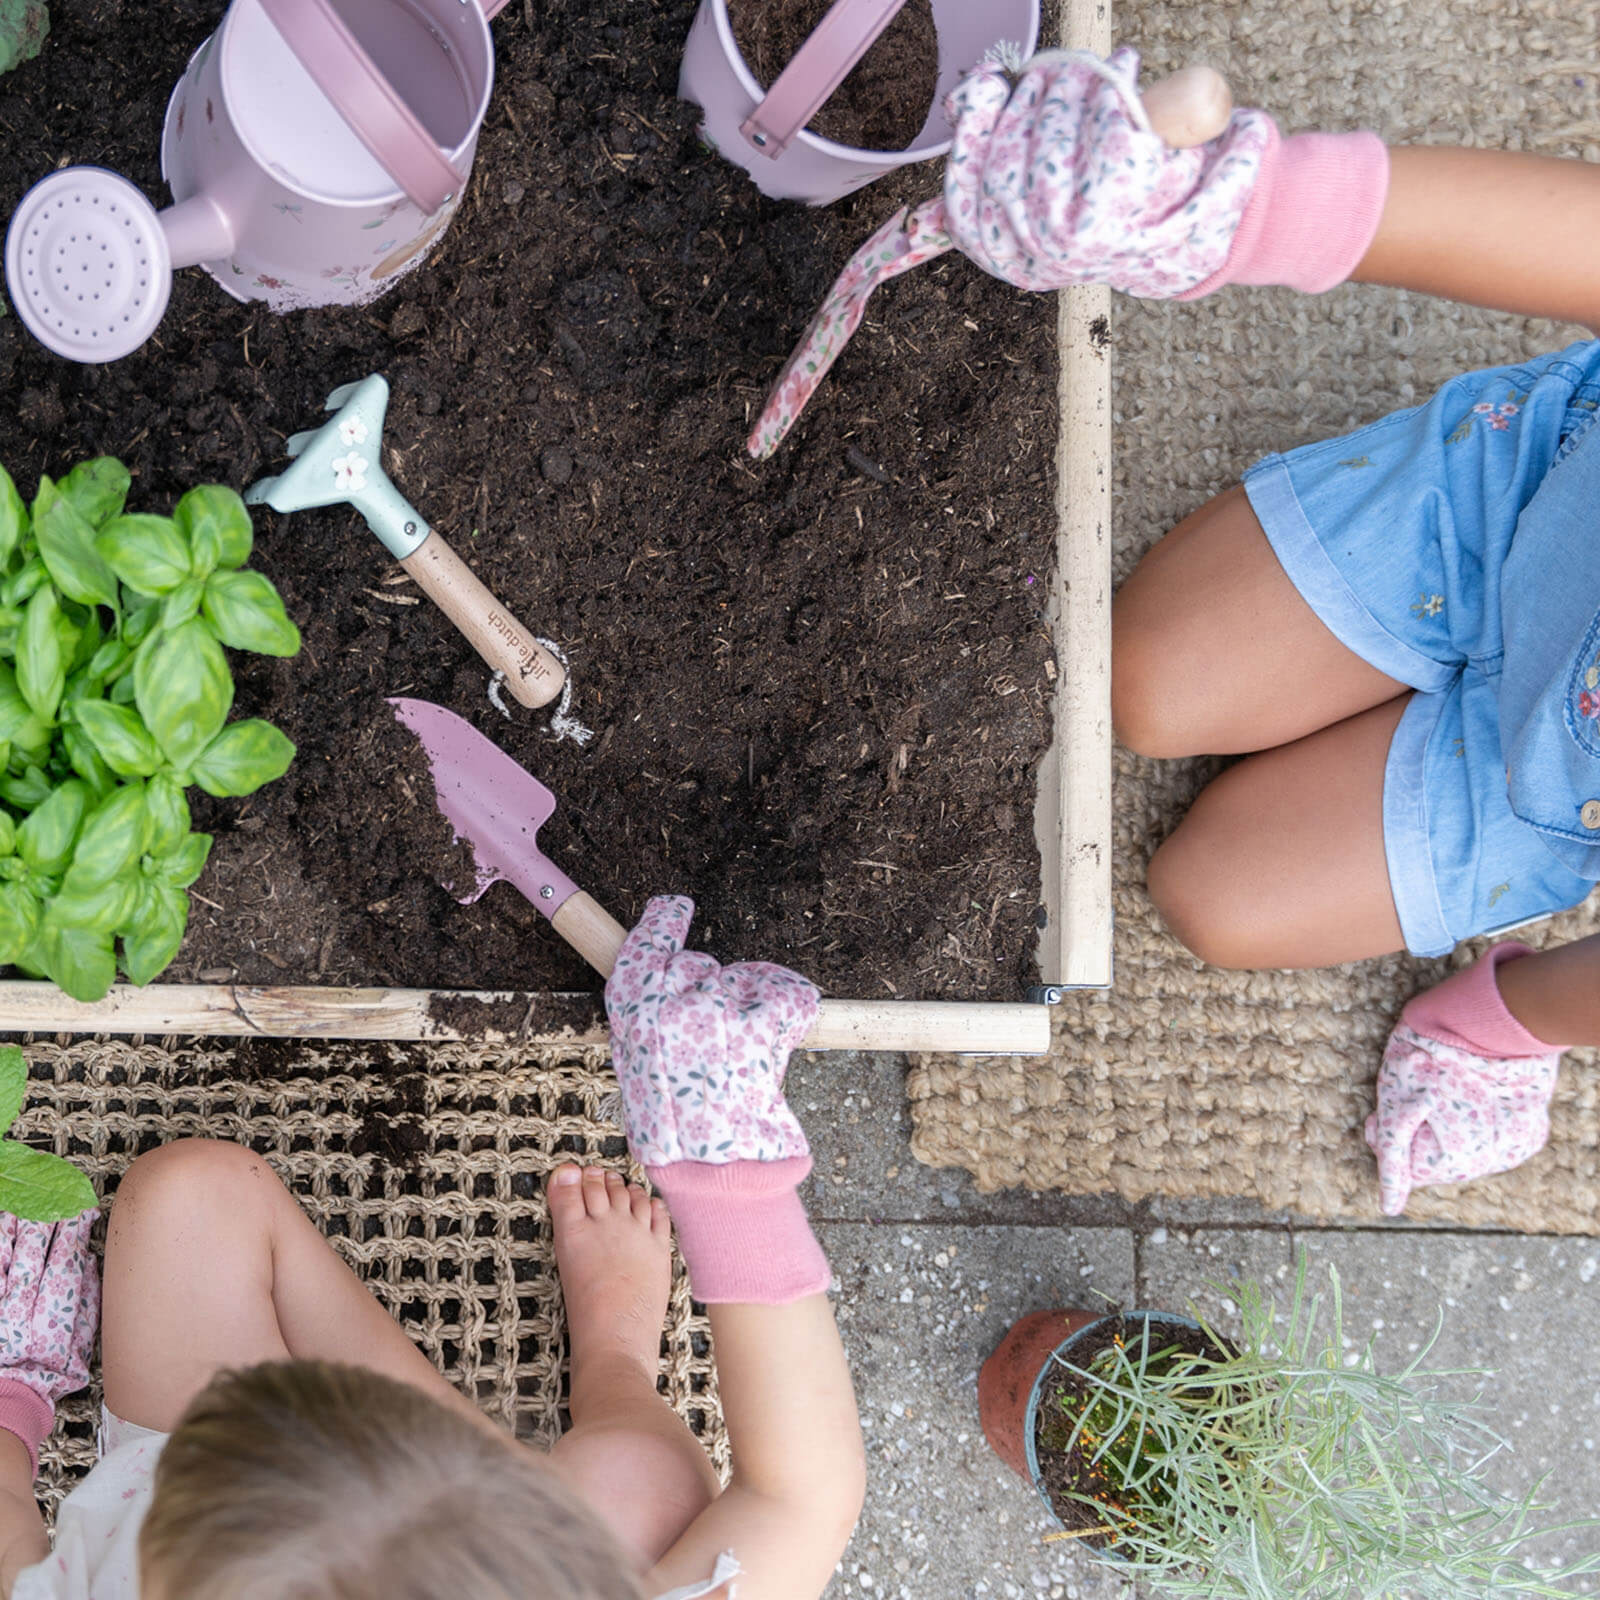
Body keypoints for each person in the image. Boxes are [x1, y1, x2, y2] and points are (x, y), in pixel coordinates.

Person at [875, 46, 1599, 1214]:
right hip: (1530, 500)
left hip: (1554, 788)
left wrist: (1514, 1019)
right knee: (1147, 684)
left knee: (1213, 896)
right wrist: (1237, 211)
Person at [0, 897, 863, 1599]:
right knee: (641, 1487)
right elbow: (800, 1495)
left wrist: (13, 1405)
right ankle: (614, 1359)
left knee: (191, 1194)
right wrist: (723, 1159)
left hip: (171, 1517)